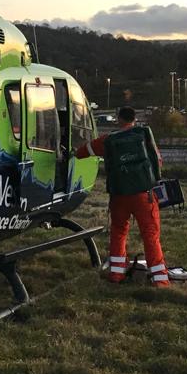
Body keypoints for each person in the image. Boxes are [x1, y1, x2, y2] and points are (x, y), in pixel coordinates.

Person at [75, 106, 169, 287]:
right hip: (144, 195)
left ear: (118, 119)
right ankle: (161, 280)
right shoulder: (144, 135)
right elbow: (157, 162)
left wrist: (74, 152)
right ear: (134, 119)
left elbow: (83, 152)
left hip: (119, 195)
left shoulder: (108, 140)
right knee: (150, 236)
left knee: (118, 232)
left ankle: (116, 275)